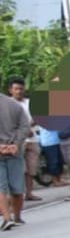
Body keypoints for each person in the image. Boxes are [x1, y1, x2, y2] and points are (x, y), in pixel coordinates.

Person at [0, 91, 32, 230]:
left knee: (1, 187)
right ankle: (17, 217)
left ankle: (7, 218)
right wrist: (16, 144)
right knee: (17, 186)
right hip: (15, 151)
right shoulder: (14, 105)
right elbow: (25, 126)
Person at [8, 78, 41, 202]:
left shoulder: (29, 102)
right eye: (16, 89)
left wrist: (29, 126)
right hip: (17, 141)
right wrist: (23, 130)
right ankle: (17, 195)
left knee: (31, 168)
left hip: (32, 139)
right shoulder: (8, 104)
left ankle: (29, 193)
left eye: (21, 89)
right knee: (18, 169)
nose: (19, 91)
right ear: (11, 90)